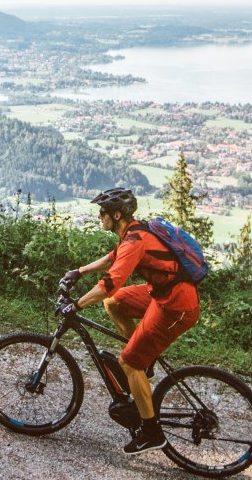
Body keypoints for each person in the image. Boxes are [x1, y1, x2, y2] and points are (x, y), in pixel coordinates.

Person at [64, 187, 201, 455]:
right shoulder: (133, 232)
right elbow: (112, 259)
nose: (99, 216)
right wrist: (79, 271)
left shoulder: (135, 240)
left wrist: (76, 304)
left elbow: (110, 283)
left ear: (117, 214)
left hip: (177, 306)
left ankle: (152, 432)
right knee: (115, 303)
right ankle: (143, 360)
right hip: (161, 294)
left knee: (127, 361)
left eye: (103, 212)